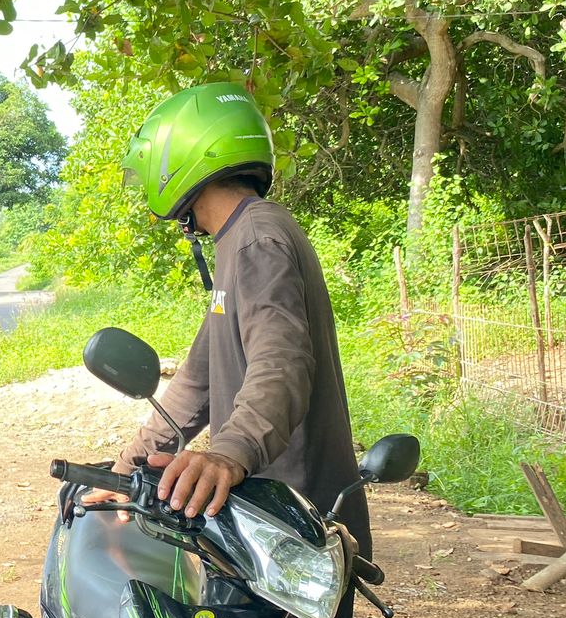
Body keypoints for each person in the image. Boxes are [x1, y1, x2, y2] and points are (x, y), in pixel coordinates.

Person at [100, 82, 372, 561]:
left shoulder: (256, 240)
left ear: (179, 161)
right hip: (264, 518)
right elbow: (196, 382)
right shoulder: (242, 236)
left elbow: (281, 362)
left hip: (294, 519)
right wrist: (126, 469)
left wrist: (229, 452)